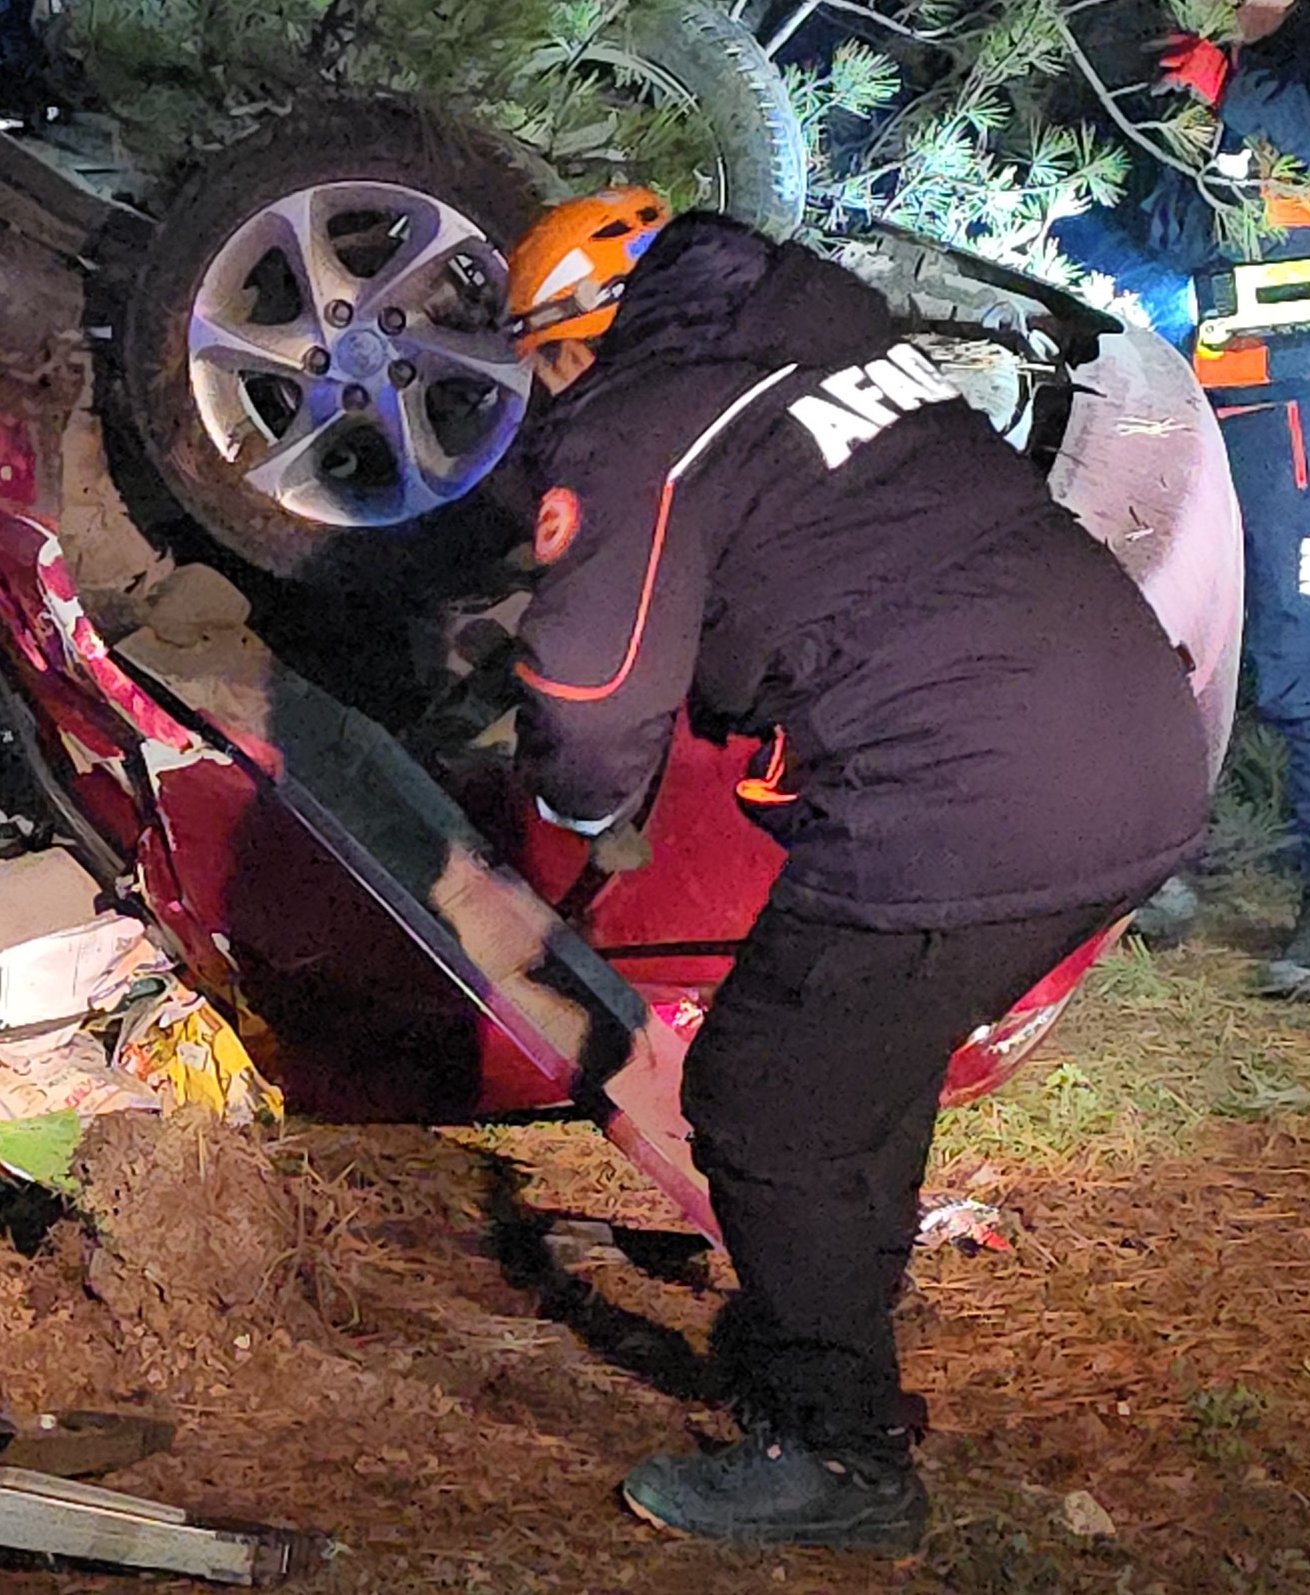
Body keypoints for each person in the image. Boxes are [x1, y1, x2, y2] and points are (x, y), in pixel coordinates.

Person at [502, 192, 1210, 1552]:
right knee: (856, 1074)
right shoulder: (836, 334)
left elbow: (590, 692)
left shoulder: (639, 419)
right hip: (1135, 750)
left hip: (969, 793)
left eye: (540, 367)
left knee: (765, 1100)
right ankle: (829, 1336)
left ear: (575, 340)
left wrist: (575, 806)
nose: (543, 398)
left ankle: (837, 1456)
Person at [1059, 0, 1310, 999]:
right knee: (1155, 632)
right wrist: (1057, 214)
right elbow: (1163, 232)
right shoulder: (1180, 71)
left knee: (1299, 654)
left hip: (1296, 398)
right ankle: (1163, 870)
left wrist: (1232, 88)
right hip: (1186, 398)